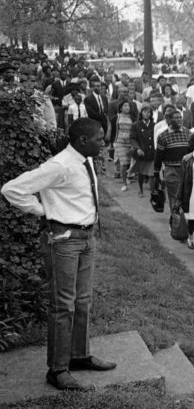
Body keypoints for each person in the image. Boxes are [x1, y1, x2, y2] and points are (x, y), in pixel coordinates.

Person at [1, 118, 117, 390]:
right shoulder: (60, 165)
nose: (104, 143)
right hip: (64, 240)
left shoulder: (84, 160)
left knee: (83, 301)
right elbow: (11, 189)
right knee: (63, 305)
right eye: (100, 139)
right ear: (82, 141)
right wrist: (44, 212)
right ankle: (57, 369)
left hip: (86, 238)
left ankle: (78, 355)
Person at [153, 109, 191, 210]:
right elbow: (158, 156)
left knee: (185, 197)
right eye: (176, 118)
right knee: (174, 197)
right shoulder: (163, 136)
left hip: (186, 170)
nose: (179, 120)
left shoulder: (188, 133)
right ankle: (175, 222)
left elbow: (192, 152)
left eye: (180, 118)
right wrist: (156, 173)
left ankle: (180, 221)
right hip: (171, 170)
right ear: (169, 120)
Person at [130, 105, 156, 197]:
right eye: (145, 112)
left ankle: (153, 193)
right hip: (142, 153)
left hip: (152, 153)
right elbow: (133, 139)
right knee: (141, 173)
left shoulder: (154, 125)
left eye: (149, 112)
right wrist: (138, 148)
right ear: (141, 113)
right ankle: (140, 190)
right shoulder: (136, 125)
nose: (147, 114)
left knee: (152, 174)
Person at [111, 101, 134, 191]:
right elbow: (113, 130)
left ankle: (127, 177)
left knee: (128, 162)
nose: (127, 107)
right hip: (119, 142)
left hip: (129, 142)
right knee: (123, 163)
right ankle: (124, 183)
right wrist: (110, 143)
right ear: (120, 108)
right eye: (125, 106)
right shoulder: (116, 117)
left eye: (128, 106)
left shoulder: (132, 117)